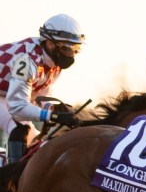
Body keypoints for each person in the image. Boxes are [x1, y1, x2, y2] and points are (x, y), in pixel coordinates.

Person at [0, 14, 85, 163]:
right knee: (20, 130)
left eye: (76, 49)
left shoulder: (53, 62)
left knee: (33, 142)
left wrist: (55, 108)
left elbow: (39, 96)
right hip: (8, 97)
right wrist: (53, 116)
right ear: (51, 44)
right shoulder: (27, 61)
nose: (72, 55)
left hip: (5, 94)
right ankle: (10, 178)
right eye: (68, 48)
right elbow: (18, 107)